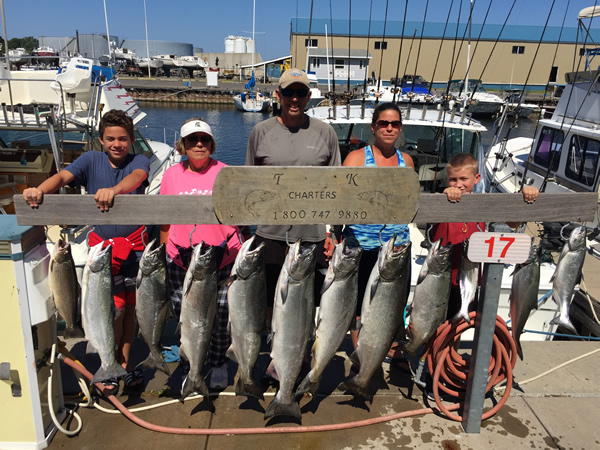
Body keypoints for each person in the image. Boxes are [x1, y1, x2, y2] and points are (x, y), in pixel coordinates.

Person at [23, 109, 150, 393]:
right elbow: (63, 176)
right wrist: (40, 190)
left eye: (123, 139)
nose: (117, 144)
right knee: (111, 310)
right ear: (101, 140)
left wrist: (115, 190)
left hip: (135, 250)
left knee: (130, 310)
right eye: (110, 139)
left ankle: (123, 364)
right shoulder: (90, 159)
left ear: (131, 140)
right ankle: (108, 363)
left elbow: (138, 177)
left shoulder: (139, 160)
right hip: (103, 254)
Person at [245, 68, 341, 312]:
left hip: (313, 236)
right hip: (270, 234)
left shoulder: (326, 132)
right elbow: (248, 185)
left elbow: (336, 186)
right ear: (279, 95)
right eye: (289, 92)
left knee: (309, 308)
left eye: (300, 92)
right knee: (267, 305)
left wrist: (332, 233)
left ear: (309, 96)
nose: (294, 98)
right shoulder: (260, 132)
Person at [159, 117, 243, 390]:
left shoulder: (227, 173)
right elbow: (164, 219)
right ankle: (190, 365)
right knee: (185, 317)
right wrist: (164, 255)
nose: (198, 144)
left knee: (219, 318)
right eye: (192, 140)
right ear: (182, 145)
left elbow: (241, 216)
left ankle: (218, 362)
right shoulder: (172, 174)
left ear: (212, 144)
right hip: (181, 261)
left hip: (222, 259)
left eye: (204, 139)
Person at [339, 102, 415, 354]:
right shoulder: (356, 158)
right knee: (359, 306)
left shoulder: (407, 161)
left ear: (401, 128)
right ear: (374, 127)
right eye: (384, 123)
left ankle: (387, 352)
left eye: (395, 124)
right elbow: (338, 200)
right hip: (361, 246)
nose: (389, 128)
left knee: (392, 306)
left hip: (396, 248)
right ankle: (360, 356)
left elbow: (410, 202)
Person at [431, 152, 539, 319]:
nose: (458, 184)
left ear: (476, 178)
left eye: (463, 179)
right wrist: (446, 195)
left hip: (470, 282)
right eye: (453, 179)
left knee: (456, 329)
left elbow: (513, 223)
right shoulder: (442, 201)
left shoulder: (484, 204)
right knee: (435, 328)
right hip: (440, 280)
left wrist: (524, 197)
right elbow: (432, 215)